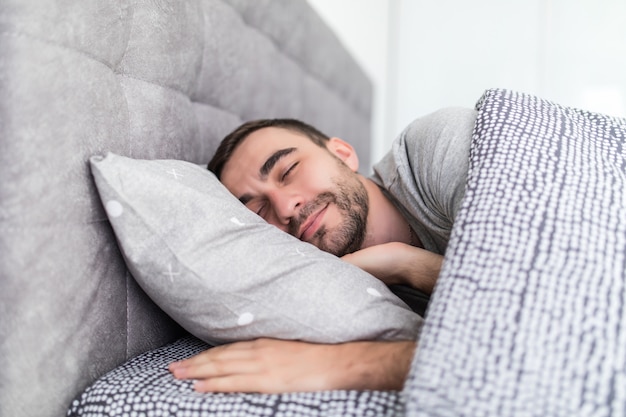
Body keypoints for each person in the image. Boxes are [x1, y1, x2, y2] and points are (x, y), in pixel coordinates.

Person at [168, 107, 477, 393]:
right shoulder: (336, 295)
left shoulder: (433, 148)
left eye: (288, 170)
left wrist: (408, 266)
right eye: (259, 212)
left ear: (343, 154)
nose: (286, 207)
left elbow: (522, 308)